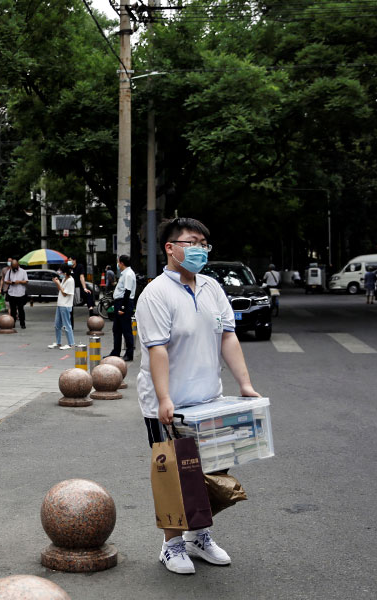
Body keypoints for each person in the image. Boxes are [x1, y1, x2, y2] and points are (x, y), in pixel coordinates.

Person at [136, 217, 261, 575]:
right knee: (175, 474)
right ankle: (171, 544)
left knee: (211, 471)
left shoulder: (211, 287)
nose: (200, 249)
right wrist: (163, 398)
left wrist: (245, 385)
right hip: (169, 404)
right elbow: (157, 348)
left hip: (209, 400)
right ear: (171, 248)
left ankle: (199, 536)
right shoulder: (156, 293)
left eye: (204, 243)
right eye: (192, 242)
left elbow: (228, 337)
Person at [106, 254, 137, 361]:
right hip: (120, 302)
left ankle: (129, 353)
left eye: (118, 262)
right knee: (117, 329)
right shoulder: (125, 273)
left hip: (124, 303)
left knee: (126, 329)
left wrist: (123, 307)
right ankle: (116, 351)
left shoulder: (128, 274)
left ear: (122, 263)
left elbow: (127, 291)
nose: (118, 264)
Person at [47, 264, 75, 350]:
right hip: (60, 304)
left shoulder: (70, 280)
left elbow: (64, 293)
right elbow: (62, 290)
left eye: (61, 271)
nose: (59, 273)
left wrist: (58, 283)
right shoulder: (64, 279)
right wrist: (58, 283)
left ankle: (71, 343)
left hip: (66, 305)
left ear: (65, 272)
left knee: (67, 325)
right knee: (57, 325)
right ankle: (58, 342)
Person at [3, 259, 29, 329]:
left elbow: (26, 281)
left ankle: (22, 323)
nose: (14, 269)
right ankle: (12, 323)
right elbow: (5, 281)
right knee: (13, 310)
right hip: (12, 293)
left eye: (15, 267)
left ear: (18, 265)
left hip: (20, 293)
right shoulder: (9, 272)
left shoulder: (23, 272)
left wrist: (19, 281)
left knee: (21, 309)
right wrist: (11, 282)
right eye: (13, 267)